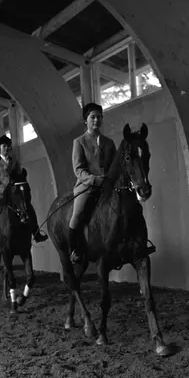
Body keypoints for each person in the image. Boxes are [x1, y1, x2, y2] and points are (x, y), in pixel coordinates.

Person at [0, 135, 48, 246]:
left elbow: (19, 175)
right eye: (4, 146)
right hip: (0, 193)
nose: (6, 148)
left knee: (28, 207)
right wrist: (3, 189)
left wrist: (22, 177)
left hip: (14, 192)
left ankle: (36, 232)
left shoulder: (14, 161)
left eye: (8, 146)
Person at [68, 102, 116, 263]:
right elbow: (78, 169)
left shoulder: (109, 143)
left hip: (108, 186)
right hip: (87, 186)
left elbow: (115, 166)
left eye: (99, 117)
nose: (96, 120)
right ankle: (74, 249)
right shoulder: (79, 142)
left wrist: (110, 179)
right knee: (77, 214)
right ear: (86, 120)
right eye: (93, 117)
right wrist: (94, 179)